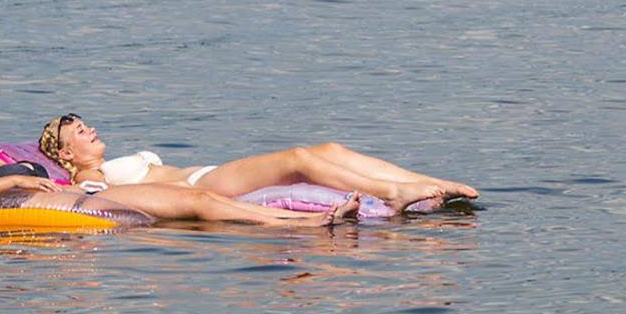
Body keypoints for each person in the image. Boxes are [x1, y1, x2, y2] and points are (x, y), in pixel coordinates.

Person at [0, 124, 359, 227]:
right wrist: (17, 181)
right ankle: (308, 223)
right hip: (70, 208)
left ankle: (301, 222)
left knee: (194, 202)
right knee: (196, 204)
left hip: (78, 200)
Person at [38, 114, 477, 213]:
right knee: (300, 159)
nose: (88, 129)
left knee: (327, 149)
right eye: (76, 130)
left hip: (206, 173)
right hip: (203, 184)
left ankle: (427, 180)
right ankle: (394, 192)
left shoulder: (105, 162)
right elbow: (86, 197)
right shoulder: (89, 176)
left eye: (84, 123)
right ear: (65, 155)